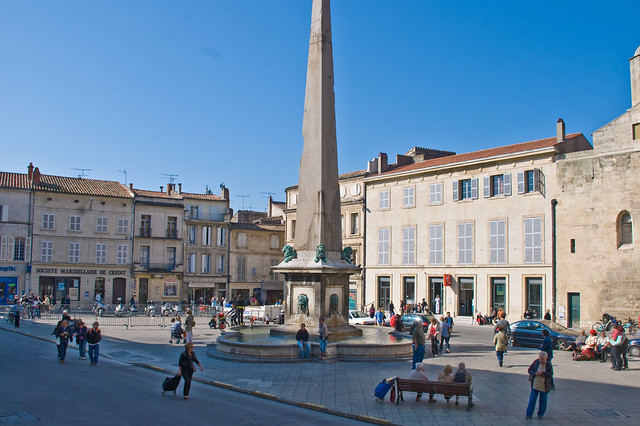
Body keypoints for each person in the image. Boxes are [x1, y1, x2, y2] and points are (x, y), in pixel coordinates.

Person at [526, 351, 554, 420]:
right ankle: (528, 415)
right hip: (535, 384)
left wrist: (543, 374)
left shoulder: (548, 364)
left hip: (544, 385)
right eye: (540, 358)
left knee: (543, 400)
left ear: (546, 358)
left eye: (542, 359)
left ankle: (541, 414)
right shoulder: (536, 362)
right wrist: (535, 373)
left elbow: (550, 374)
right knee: (532, 400)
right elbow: (530, 370)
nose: (541, 360)